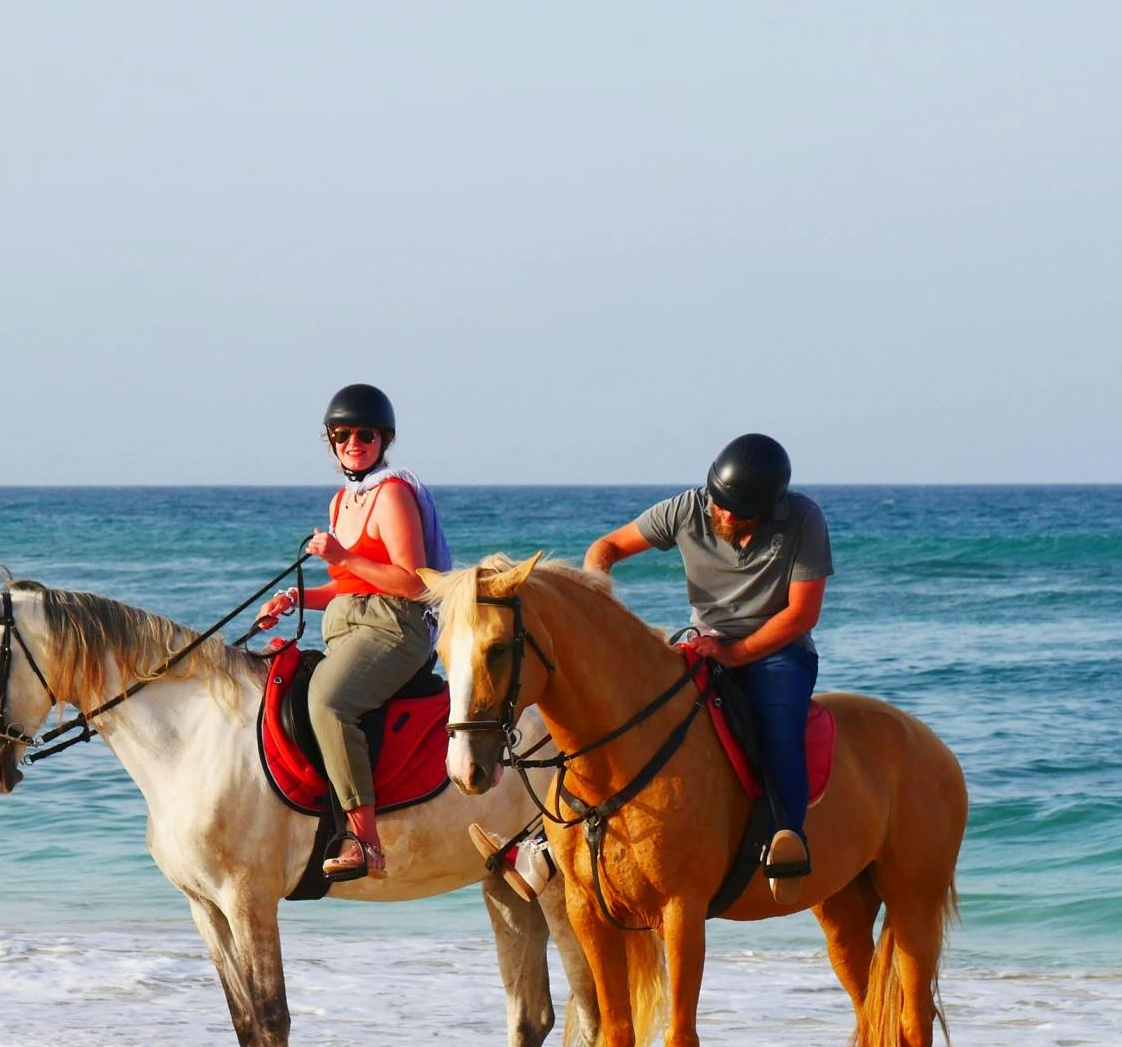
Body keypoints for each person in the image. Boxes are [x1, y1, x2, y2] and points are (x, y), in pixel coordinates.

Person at [472, 433, 831, 905]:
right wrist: (597, 596)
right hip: (701, 642)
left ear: (768, 506)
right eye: (719, 504)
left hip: (776, 651)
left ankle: (789, 837)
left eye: (737, 512)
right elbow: (607, 547)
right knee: (611, 724)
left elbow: (802, 614)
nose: (723, 515)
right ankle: (543, 845)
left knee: (777, 727)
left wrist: (736, 654)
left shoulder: (803, 518)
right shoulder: (687, 509)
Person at [255, 384, 454, 881]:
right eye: (341, 435)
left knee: (329, 701)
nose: (352, 443)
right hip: (349, 622)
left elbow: (412, 583)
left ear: (383, 439)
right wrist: (298, 598)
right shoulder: (342, 501)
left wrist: (342, 556)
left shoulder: (391, 495)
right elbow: (349, 584)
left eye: (364, 434)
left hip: (397, 627)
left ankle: (366, 842)